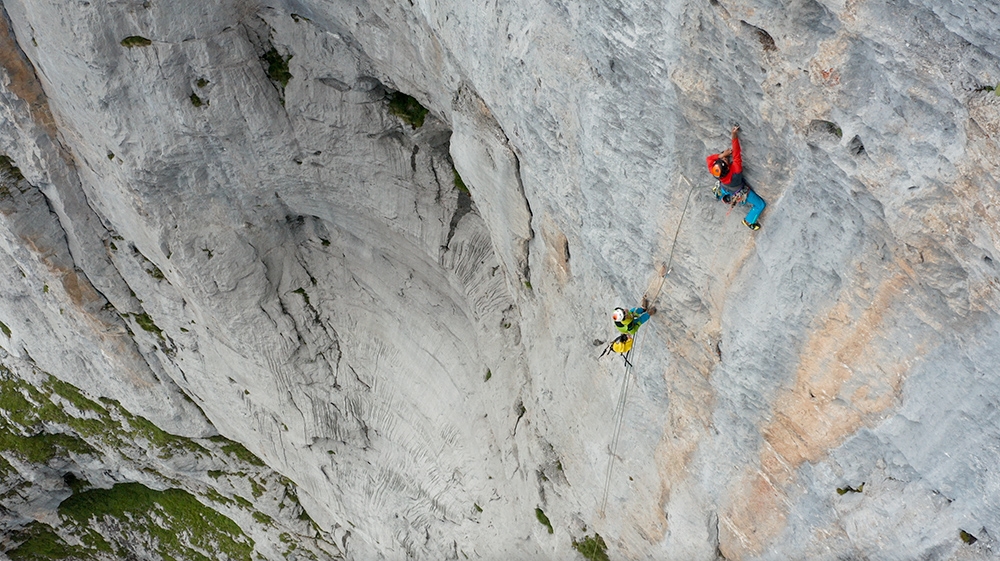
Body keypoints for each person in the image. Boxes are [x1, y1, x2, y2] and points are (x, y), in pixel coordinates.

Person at [706, 125, 766, 230]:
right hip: (740, 190)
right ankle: (748, 221)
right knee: (760, 205)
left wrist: (720, 156)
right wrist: (734, 135)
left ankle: (720, 193)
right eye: (724, 159)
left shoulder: (715, 171)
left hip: (725, 186)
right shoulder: (736, 171)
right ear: (728, 168)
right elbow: (737, 153)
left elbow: (709, 159)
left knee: (724, 188)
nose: (724, 157)